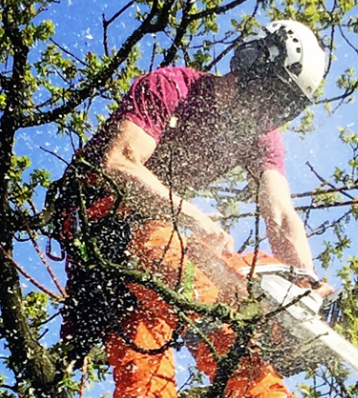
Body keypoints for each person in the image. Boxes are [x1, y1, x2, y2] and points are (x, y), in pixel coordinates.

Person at [55, 20, 331, 398]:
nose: (270, 112)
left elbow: (281, 213)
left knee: (148, 368)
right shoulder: (172, 87)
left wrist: (304, 284)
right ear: (253, 61)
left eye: (282, 107)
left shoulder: (260, 135)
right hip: (98, 216)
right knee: (210, 281)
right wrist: (193, 216)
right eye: (271, 96)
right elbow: (119, 163)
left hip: (158, 242)